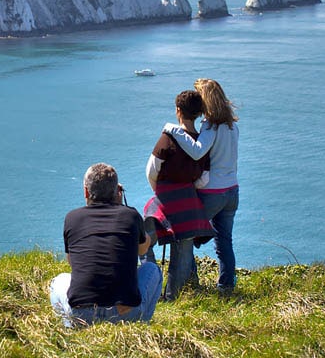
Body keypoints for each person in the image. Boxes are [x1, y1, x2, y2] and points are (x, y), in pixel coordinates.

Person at [49, 163, 162, 326]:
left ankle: (72, 330)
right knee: (153, 269)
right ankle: (139, 326)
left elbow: (73, 263)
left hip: (83, 313)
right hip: (125, 312)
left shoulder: (72, 218)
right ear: (117, 192)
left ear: (86, 191)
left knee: (58, 281)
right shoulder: (130, 216)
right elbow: (143, 249)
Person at [164, 78, 240, 294]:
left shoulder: (211, 126)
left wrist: (174, 130)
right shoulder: (232, 126)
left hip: (212, 193)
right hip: (232, 190)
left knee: (183, 234)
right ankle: (226, 286)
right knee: (224, 240)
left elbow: (197, 150)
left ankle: (186, 283)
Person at [143, 90, 214, 301]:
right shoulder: (203, 144)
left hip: (163, 201)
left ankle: (150, 285)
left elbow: (151, 170)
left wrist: (160, 190)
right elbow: (205, 179)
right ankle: (172, 298)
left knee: (143, 241)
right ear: (199, 114)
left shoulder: (167, 138)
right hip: (189, 203)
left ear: (178, 111)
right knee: (182, 256)